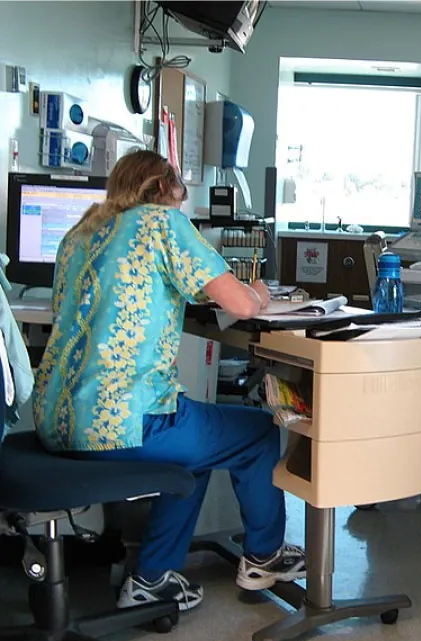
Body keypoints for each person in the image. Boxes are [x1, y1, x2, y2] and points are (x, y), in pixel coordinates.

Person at [32, 150, 305, 613]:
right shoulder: (160, 222)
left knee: (197, 445)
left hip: (55, 419)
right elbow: (239, 305)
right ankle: (265, 555)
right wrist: (259, 292)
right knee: (258, 432)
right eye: (179, 198)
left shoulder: (80, 234)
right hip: (122, 423)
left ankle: (153, 578)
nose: (179, 208)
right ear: (161, 188)